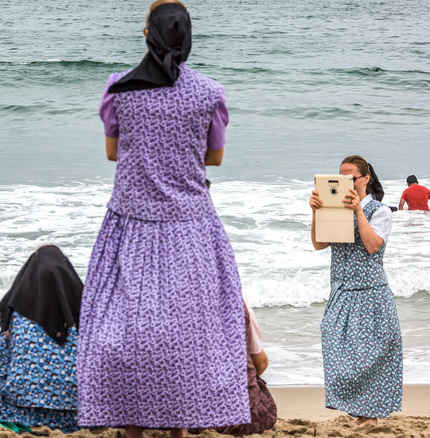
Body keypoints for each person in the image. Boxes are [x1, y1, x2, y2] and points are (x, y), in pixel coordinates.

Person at [77, 2, 251, 437]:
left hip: (130, 220)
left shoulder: (120, 87)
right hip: (190, 223)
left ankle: (131, 427)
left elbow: (113, 152)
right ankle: (180, 428)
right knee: (190, 331)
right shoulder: (210, 91)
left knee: (125, 329)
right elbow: (215, 158)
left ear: (147, 35)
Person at [308, 155, 403, 426]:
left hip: (371, 293)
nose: (347, 182)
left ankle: (368, 417)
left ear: (366, 179)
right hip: (341, 291)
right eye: (342, 177)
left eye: (352, 177)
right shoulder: (334, 209)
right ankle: (361, 413)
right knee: (337, 351)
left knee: (370, 357)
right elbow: (319, 243)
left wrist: (358, 211)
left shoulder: (379, 210)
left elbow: (373, 245)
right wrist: (316, 211)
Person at [0, 245, 82, 432]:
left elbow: (6, 340)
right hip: (78, 415)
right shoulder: (87, 315)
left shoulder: (20, 315)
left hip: (23, 415)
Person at [189, 299, 277, 437]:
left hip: (183, 415)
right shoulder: (238, 302)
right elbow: (261, 363)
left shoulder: (172, 301)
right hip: (239, 419)